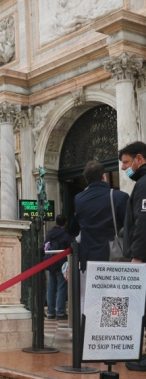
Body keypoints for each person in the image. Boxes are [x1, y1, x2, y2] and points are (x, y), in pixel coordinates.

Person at [69, 161, 129, 303]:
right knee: (115, 300)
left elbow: (73, 229)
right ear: (104, 176)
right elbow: (130, 227)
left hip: (89, 259)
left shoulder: (79, 199)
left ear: (86, 180)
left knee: (95, 300)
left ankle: (94, 324)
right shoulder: (119, 197)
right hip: (114, 257)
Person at [118, 141, 146, 372]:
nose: (123, 168)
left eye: (126, 162)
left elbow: (143, 223)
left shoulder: (144, 184)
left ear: (140, 159)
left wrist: (137, 257)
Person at [43, 214, 71, 320]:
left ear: (56, 223)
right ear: (65, 223)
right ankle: (60, 312)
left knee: (51, 287)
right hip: (61, 263)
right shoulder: (65, 234)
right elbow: (70, 245)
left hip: (50, 263)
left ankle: (50, 312)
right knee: (61, 287)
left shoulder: (50, 233)